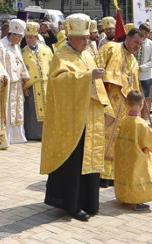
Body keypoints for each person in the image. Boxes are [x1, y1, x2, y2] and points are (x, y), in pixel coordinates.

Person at [40, 14, 113, 221]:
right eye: (82, 38)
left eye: (87, 38)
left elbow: (95, 82)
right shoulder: (61, 55)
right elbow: (59, 81)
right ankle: (71, 203)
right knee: (74, 160)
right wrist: (87, 77)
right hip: (71, 120)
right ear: (70, 37)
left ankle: (89, 201)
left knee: (89, 157)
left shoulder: (87, 54)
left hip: (90, 115)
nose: (86, 41)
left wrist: (104, 104)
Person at [98, 27, 145, 187]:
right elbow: (97, 70)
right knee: (103, 135)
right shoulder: (110, 48)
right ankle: (98, 173)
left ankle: (111, 175)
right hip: (107, 102)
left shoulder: (133, 61)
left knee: (118, 139)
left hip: (124, 108)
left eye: (140, 44)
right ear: (128, 38)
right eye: (136, 42)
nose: (137, 46)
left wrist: (137, 107)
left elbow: (135, 86)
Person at [108, 89, 152, 211]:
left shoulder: (124, 120)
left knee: (126, 177)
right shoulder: (141, 124)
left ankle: (124, 198)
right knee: (137, 177)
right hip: (136, 157)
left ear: (127, 103)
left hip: (124, 156)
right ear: (141, 105)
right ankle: (136, 201)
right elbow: (149, 142)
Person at [0, 19, 28, 145]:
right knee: (8, 109)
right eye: (19, 36)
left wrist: (24, 79)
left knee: (17, 109)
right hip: (7, 84)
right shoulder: (0, 46)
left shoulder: (16, 46)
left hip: (17, 83)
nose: (20, 39)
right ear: (13, 34)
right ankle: (7, 136)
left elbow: (20, 62)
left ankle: (17, 136)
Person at [21, 21, 51, 142]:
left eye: (31, 37)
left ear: (36, 37)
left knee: (47, 109)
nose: (28, 40)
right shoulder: (23, 52)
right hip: (31, 85)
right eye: (27, 37)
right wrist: (24, 87)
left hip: (46, 84)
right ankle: (33, 134)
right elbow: (21, 71)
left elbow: (52, 65)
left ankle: (46, 133)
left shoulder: (46, 49)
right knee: (32, 111)